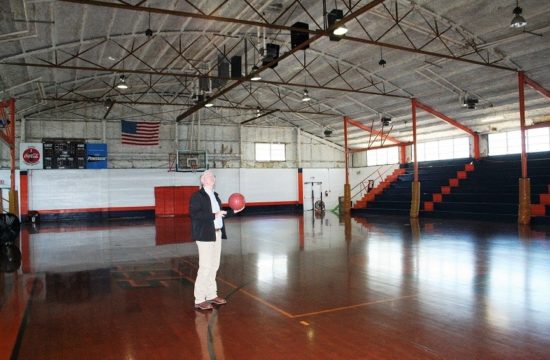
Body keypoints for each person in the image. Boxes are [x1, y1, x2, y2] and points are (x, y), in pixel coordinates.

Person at [189, 170, 244, 310]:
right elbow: (195, 214)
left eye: (213, 176)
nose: (212, 177)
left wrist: (234, 211)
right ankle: (200, 299)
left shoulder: (215, 196)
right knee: (205, 267)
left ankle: (211, 295)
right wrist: (214, 215)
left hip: (217, 234)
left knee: (214, 266)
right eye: (208, 176)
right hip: (204, 235)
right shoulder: (197, 196)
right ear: (202, 180)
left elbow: (220, 215)